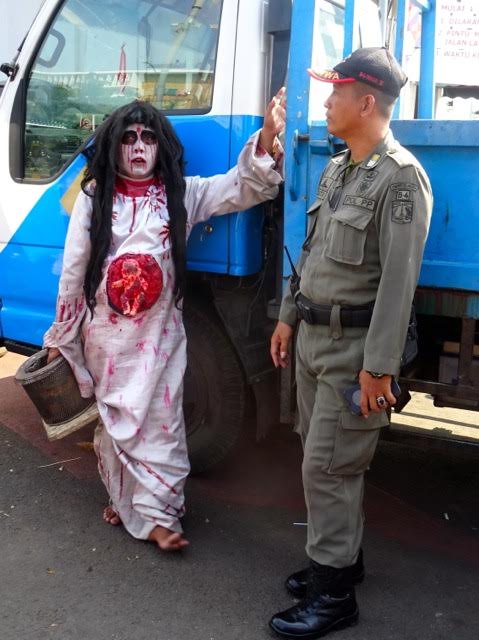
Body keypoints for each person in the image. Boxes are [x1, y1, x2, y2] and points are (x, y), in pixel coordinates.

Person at [44, 94, 285, 551]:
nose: (139, 147)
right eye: (129, 138)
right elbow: (74, 272)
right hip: (108, 341)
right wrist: (62, 335)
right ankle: (126, 502)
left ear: (161, 147)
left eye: (148, 138)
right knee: (115, 429)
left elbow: (240, 186)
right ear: (113, 146)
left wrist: (269, 135)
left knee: (164, 425)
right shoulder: (94, 197)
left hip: (160, 338)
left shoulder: (181, 195)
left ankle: (160, 518)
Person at [269, 47, 432, 638]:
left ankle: (334, 597)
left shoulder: (401, 178)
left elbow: (398, 284)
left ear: (366, 103)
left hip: (353, 350)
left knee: (329, 470)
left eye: (335, 92)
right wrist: (288, 315)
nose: (326, 102)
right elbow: (312, 252)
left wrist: (379, 369)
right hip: (314, 338)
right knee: (325, 462)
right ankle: (343, 562)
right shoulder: (340, 168)